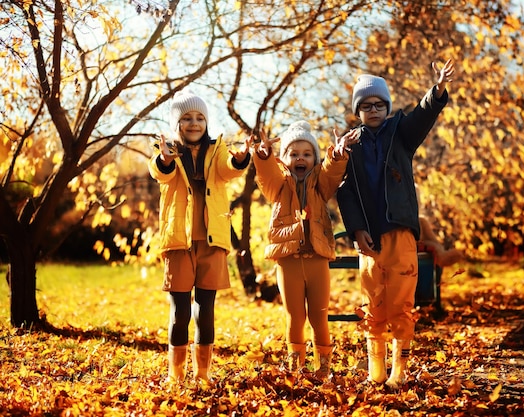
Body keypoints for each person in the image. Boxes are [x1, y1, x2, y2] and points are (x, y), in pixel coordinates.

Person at [336, 60, 455, 388]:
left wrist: (438, 89)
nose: (373, 110)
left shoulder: (400, 132)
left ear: (386, 107)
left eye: (379, 104)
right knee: (371, 303)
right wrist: (356, 229)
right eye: (365, 105)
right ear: (358, 111)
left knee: (401, 303)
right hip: (368, 239)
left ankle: (398, 370)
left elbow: (423, 114)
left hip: (400, 231)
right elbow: (345, 191)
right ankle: (375, 369)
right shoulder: (352, 145)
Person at [148, 88, 251, 383]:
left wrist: (240, 159)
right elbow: (159, 172)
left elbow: (228, 169)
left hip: (212, 241)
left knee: (205, 310)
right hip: (179, 242)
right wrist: (166, 159)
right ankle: (176, 375)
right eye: (187, 118)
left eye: (200, 118)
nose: (194, 124)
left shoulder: (217, 150)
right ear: (176, 124)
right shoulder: (164, 151)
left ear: (206, 123)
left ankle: (203, 373)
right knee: (180, 312)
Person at [248, 121, 359, 379]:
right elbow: (267, 176)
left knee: (319, 317)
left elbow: (332, 174)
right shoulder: (280, 185)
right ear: (284, 158)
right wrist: (263, 158)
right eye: (294, 154)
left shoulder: (320, 184)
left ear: (314, 159)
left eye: (307, 154)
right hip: (288, 260)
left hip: (317, 259)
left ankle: (323, 369)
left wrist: (338, 155)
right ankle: (295, 369)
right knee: (295, 317)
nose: (301, 158)